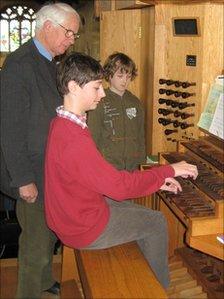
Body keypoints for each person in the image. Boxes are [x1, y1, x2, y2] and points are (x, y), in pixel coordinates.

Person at [44, 52, 198, 289]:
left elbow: (102, 178)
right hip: (81, 226)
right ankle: (159, 290)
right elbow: (117, 186)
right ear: (74, 87)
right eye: (97, 88)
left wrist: (156, 181)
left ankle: (141, 275)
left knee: (135, 211)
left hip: (73, 213)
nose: (102, 93)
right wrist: (167, 171)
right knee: (156, 222)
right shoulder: (73, 139)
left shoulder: (61, 123)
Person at [0, 3, 80, 298]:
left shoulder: (48, 60)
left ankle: (45, 282)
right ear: (48, 26)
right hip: (30, 171)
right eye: (69, 32)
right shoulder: (20, 65)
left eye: (74, 34)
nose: (71, 39)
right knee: (34, 244)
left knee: (46, 236)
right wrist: (23, 179)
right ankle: (30, 293)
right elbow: (9, 128)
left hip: (48, 168)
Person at [88, 52, 146, 171]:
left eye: (128, 76)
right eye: (120, 76)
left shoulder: (135, 102)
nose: (125, 80)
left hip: (133, 167)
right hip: (108, 166)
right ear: (109, 75)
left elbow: (140, 137)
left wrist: (141, 164)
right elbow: (93, 137)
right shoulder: (99, 101)